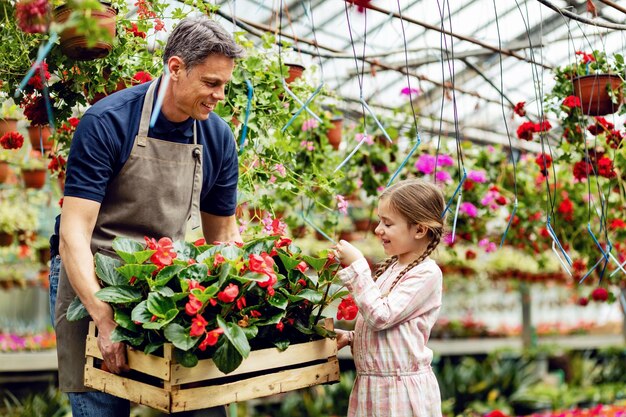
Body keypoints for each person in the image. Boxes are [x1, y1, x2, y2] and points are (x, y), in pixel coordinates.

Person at [52, 16, 245, 417]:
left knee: (202, 404)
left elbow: (222, 237)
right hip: (94, 274)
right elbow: (75, 232)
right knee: (102, 403)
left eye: (224, 84)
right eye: (211, 83)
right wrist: (105, 320)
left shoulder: (217, 137)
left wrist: (231, 310)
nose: (220, 96)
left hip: (163, 284)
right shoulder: (108, 122)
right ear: (175, 68)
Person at [333, 178, 445, 417]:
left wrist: (358, 266)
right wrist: (353, 338)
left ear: (419, 230)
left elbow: (381, 316)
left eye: (388, 223)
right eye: (379, 221)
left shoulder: (426, 273)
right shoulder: (392, 267)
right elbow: (393, 329)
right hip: (373, 387)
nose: (377, 229)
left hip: (399, 393)